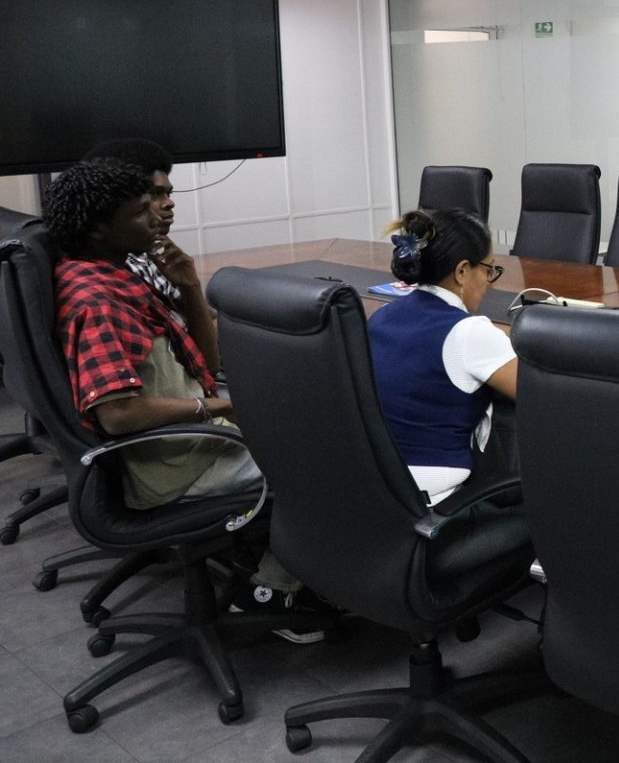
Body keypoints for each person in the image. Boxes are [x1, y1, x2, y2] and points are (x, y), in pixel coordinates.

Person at [43, 160, 321, 640]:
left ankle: (296, 560)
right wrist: (219, 407)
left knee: (311, 423)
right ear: (98, 229)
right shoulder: (97, 301)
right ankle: (271, 591)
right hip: (173, 464)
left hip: (188, 443)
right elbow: (117, 413)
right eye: (139, 211)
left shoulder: (117, 274)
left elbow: (207, 365)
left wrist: (190, 285)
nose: (156, 215)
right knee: (328, 461)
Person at [368, 208, 518, 506]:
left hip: (378, 489)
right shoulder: (470, 333)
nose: (490, 282)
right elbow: (544, 395)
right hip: (436, 500)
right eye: (488, 269)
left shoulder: (381, 316)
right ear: (462, 271)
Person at [82, 139, 182, 309]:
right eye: (154, 194)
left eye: (168, 194)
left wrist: (191, 286)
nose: (169, 203)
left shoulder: (142, 252)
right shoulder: (99, 288)